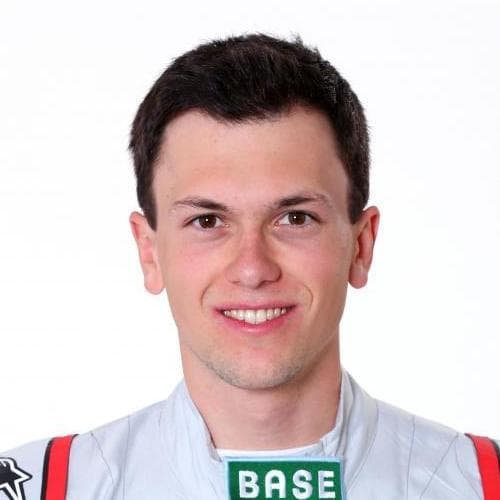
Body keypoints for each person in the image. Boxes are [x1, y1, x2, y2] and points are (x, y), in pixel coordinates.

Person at [1, 33, 498, 500]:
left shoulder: (481, 482)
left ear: (361, 245)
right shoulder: (43, 487)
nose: (252, 269)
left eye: (295, 218)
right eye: (207, 221)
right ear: (149, 252)